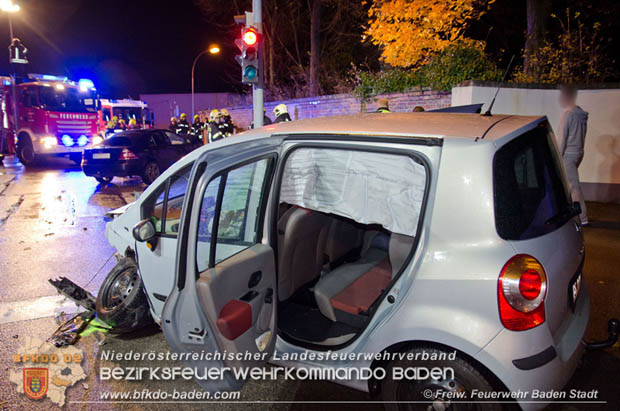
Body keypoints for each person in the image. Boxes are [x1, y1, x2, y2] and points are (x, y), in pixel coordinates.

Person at [558, 85, 589, 225]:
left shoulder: (568, 114)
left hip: (568, 154)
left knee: (573, 186)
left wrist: (558, 155)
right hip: (578, 152)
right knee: (570, 184)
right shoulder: (580, 113)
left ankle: (582, 218)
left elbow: (562, 138)